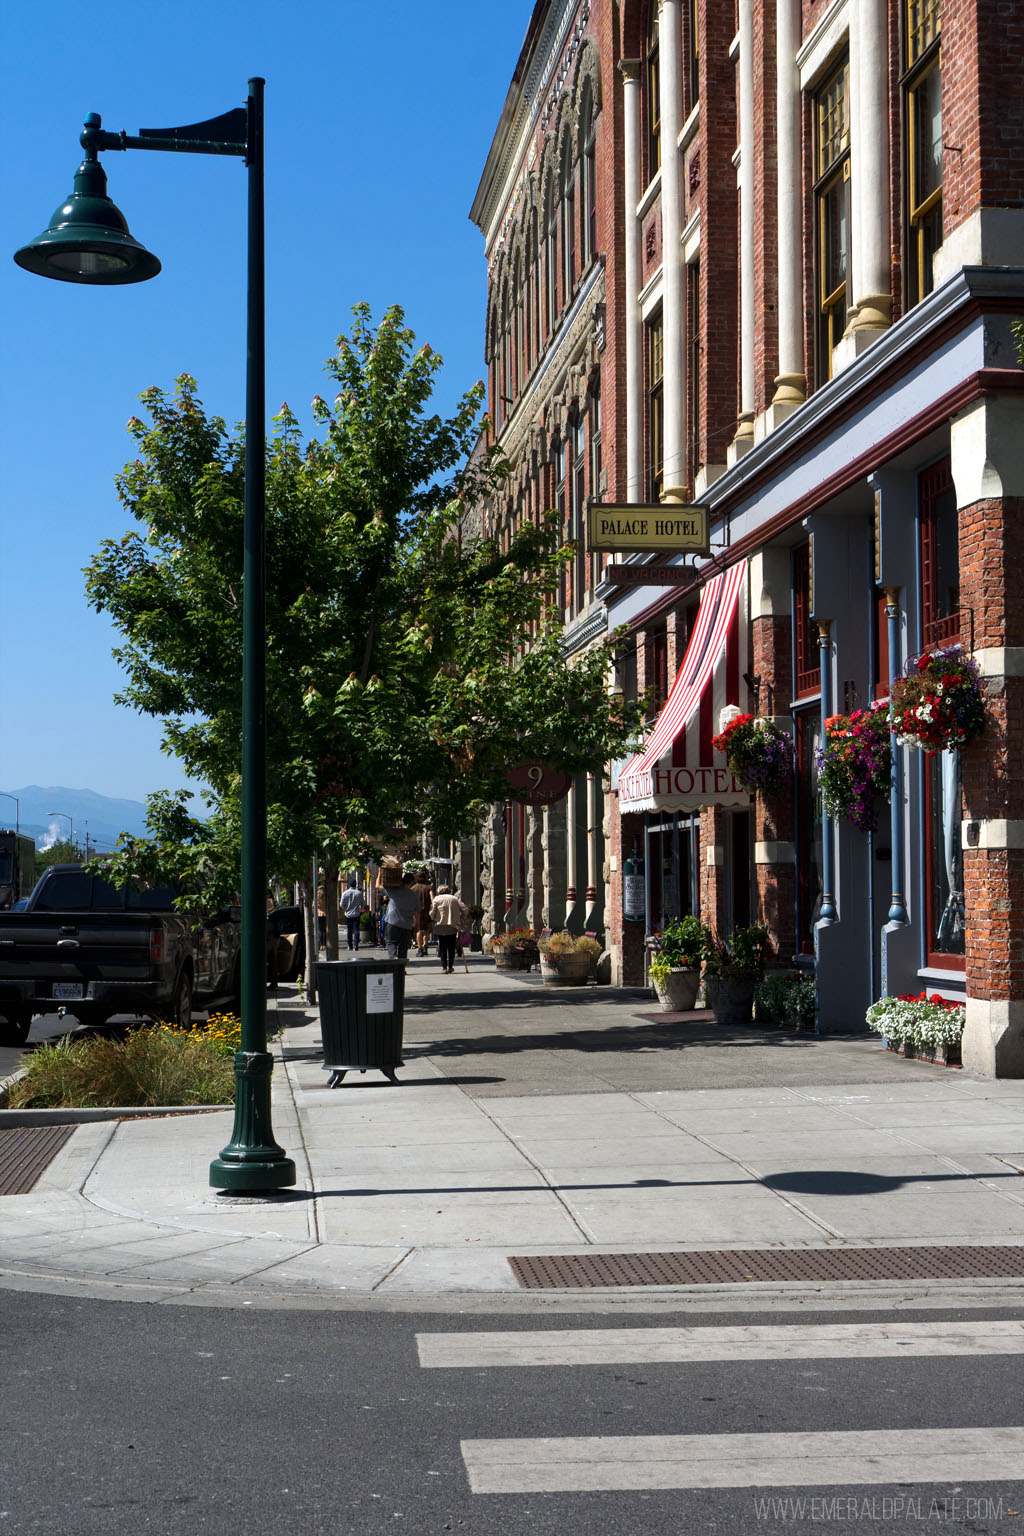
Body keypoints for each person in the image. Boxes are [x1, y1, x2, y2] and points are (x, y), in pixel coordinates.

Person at [429, 886, 468, 974]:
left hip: (440, 925)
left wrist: (433, 918)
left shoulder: (436, 899)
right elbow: (465, 909)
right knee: (451, 946)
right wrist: (460, 916)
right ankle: (450, 966)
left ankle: (444, 967)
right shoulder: (455, 898)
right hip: (452, 925)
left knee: (442, 946)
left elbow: (432, 912)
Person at [384, 873, 420, 961]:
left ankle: (393, 957)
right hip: (407, 924)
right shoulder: (413, 895)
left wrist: (379, 875)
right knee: (403, 947)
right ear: (411, 883)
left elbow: (378, 886)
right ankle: (401, 967)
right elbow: (417, 911)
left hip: (392, 921)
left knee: (391, 942)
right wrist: (417, 924)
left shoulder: (394, 891)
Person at [409, 869, 434, 956]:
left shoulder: (413, 888)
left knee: (418, 930)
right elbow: (432, 899)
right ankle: (425, 946)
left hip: (417, 912)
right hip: (427, 912)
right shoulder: (428, 887)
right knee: (427, 929)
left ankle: (419, 949)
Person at [340, 876, 365, 951]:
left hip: (348, 914)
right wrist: (360, 908)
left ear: (349, 884)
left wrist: (345, 909)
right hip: (356, 913)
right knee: (356, 930)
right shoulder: (359, 893)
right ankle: (356, 945)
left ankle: (350, 946)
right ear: (355, 884)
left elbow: (341, 904)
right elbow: (362, 904)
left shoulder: (345, 893)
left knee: (349, 930)